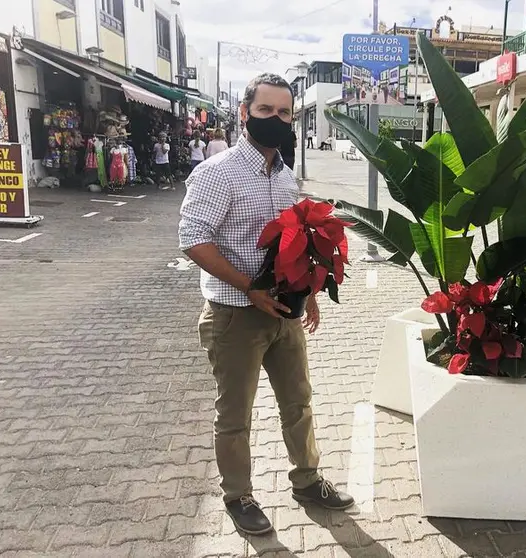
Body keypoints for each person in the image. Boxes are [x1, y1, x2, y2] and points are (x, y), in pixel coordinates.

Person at [178, 73, 354, 537]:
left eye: (284, 113)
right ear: (244, 113)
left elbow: (301, 244)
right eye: (265, 111)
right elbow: (193, 239)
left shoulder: (285, 175)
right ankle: (238, 496)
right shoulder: (217, 174)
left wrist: (312, 294)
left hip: (285, 313)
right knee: (234, 415)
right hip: (236, 315)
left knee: (298, 402)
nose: (276, 120)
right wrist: (249, 288)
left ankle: (307, 480)